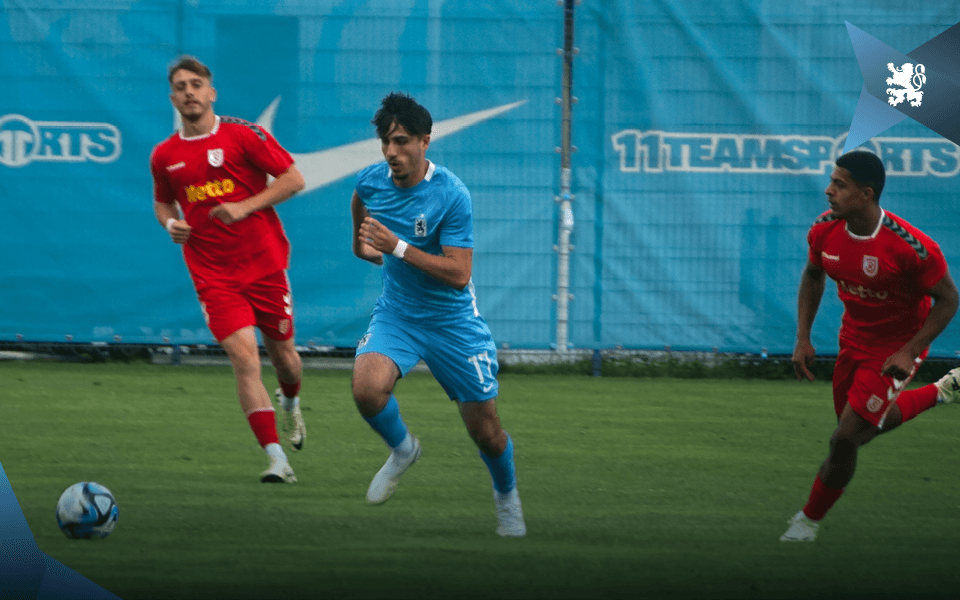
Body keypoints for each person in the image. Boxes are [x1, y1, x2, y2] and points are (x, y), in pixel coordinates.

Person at [349, 92, 526, 537]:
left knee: (486, 433)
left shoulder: (451, 194)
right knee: (367, 390)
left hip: (452, 323)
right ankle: (404, 450)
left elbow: (459, 275)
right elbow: (360, 200)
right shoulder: (373, 182)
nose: (392, 152)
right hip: (398, 315)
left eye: (402, 141)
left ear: (426, 141)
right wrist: (360, 242)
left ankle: (506, 496)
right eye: (386, 142)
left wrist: (398, 248)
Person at [781, 150, 960, 541]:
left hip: (894, 349)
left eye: (839, 185)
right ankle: (943, 391)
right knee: (862, 429)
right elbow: (813, 275)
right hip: (852, 343)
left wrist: (910, 351)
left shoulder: (911, 247)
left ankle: (806, 523)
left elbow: (949, 299)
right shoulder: (824, 230)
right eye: (831, 181)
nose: (828, 191)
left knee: (845, 438)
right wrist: (803, 338)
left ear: (865, 193)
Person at [149, 56, 307, 483]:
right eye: (180, 86)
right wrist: (170, 224)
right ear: (172, 98)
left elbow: (294, 180)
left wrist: (245, 206)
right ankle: (277, 459)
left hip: (265, 266)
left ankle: (290, 401)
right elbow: (163, 201)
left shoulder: (243, 135)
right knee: (243, 360)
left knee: (286, 360)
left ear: (211, 92)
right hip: (213, 275)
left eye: (196, 84)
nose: (189, 92)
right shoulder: (165, 155)